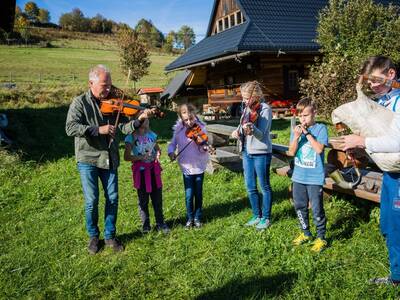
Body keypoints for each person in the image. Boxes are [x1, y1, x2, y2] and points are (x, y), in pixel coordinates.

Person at [65, 64, 151, 254]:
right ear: (91, 83)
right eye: (104, 85)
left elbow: (122, 128)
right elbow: (70, 128)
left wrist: (138, 121)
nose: (108, 89)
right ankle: (94, 236)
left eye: (110, 85)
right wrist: (97, 129)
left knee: (112, 198)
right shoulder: (79, 103)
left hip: (109, 158)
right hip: (88, 158)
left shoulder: (113, 102)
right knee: (92, 200)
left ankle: (110, 235)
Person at [342, 56, 400, 286]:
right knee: (388, 224)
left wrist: (362, 141)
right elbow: (381, 142)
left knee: (397, 228)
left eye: (376, 80)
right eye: (370, 82)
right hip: (391, 174)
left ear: (391, 74)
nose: (372, 86)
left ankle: (397, 279)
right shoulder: (384, 102)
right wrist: (361, 151)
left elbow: (397, 142)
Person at [287, 98, 328, 252]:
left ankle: (321, 238)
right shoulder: (296, 131)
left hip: (314, 178)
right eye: (300, 116)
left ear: (314, 113)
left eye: (306, 115)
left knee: (317, 209)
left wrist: (308, 134)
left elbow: (318, 149)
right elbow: (291, 152)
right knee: (299, 206)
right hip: (298, 176)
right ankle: (306, 233)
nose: (302, 119)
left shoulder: (320, 129)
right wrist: (297, 136)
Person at [231, 81, 273, 231]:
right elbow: (241, 125)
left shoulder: (265, 109)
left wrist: (252, 129)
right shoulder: (247, 109)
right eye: (243, 97)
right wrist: (238, 131)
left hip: (261, 153)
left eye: (246, 97)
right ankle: (257, 215)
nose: (243, 100)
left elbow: (261, 135)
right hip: (247, 152)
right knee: (250, 186)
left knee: (264, 186)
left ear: (255, 96)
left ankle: (266, 218)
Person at [124, 118, 170, 234]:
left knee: (157, 199)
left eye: (147, 119)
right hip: (141, 173)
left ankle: (160, 223)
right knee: (143, 200)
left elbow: (158, 150)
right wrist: (140, 157)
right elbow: (126, 156)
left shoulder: (152, 135)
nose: (147, 120)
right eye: (143, 118)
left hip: (154, 171)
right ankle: (146, 225)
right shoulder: (131, 137)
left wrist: (158, 155)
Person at [168, 103, 209, 229]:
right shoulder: (179, 131)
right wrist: (171, 152)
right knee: (189, 194)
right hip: (186, 167)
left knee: (198, 193)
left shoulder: (200, 128)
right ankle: (189, 218)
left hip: (199, 166)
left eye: (191, 118)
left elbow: (203, 148)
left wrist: (204, 146)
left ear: (194, 115)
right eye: (186, 120)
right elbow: (172, 144)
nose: (189, 122)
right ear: (181, 118)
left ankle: (197, 217)